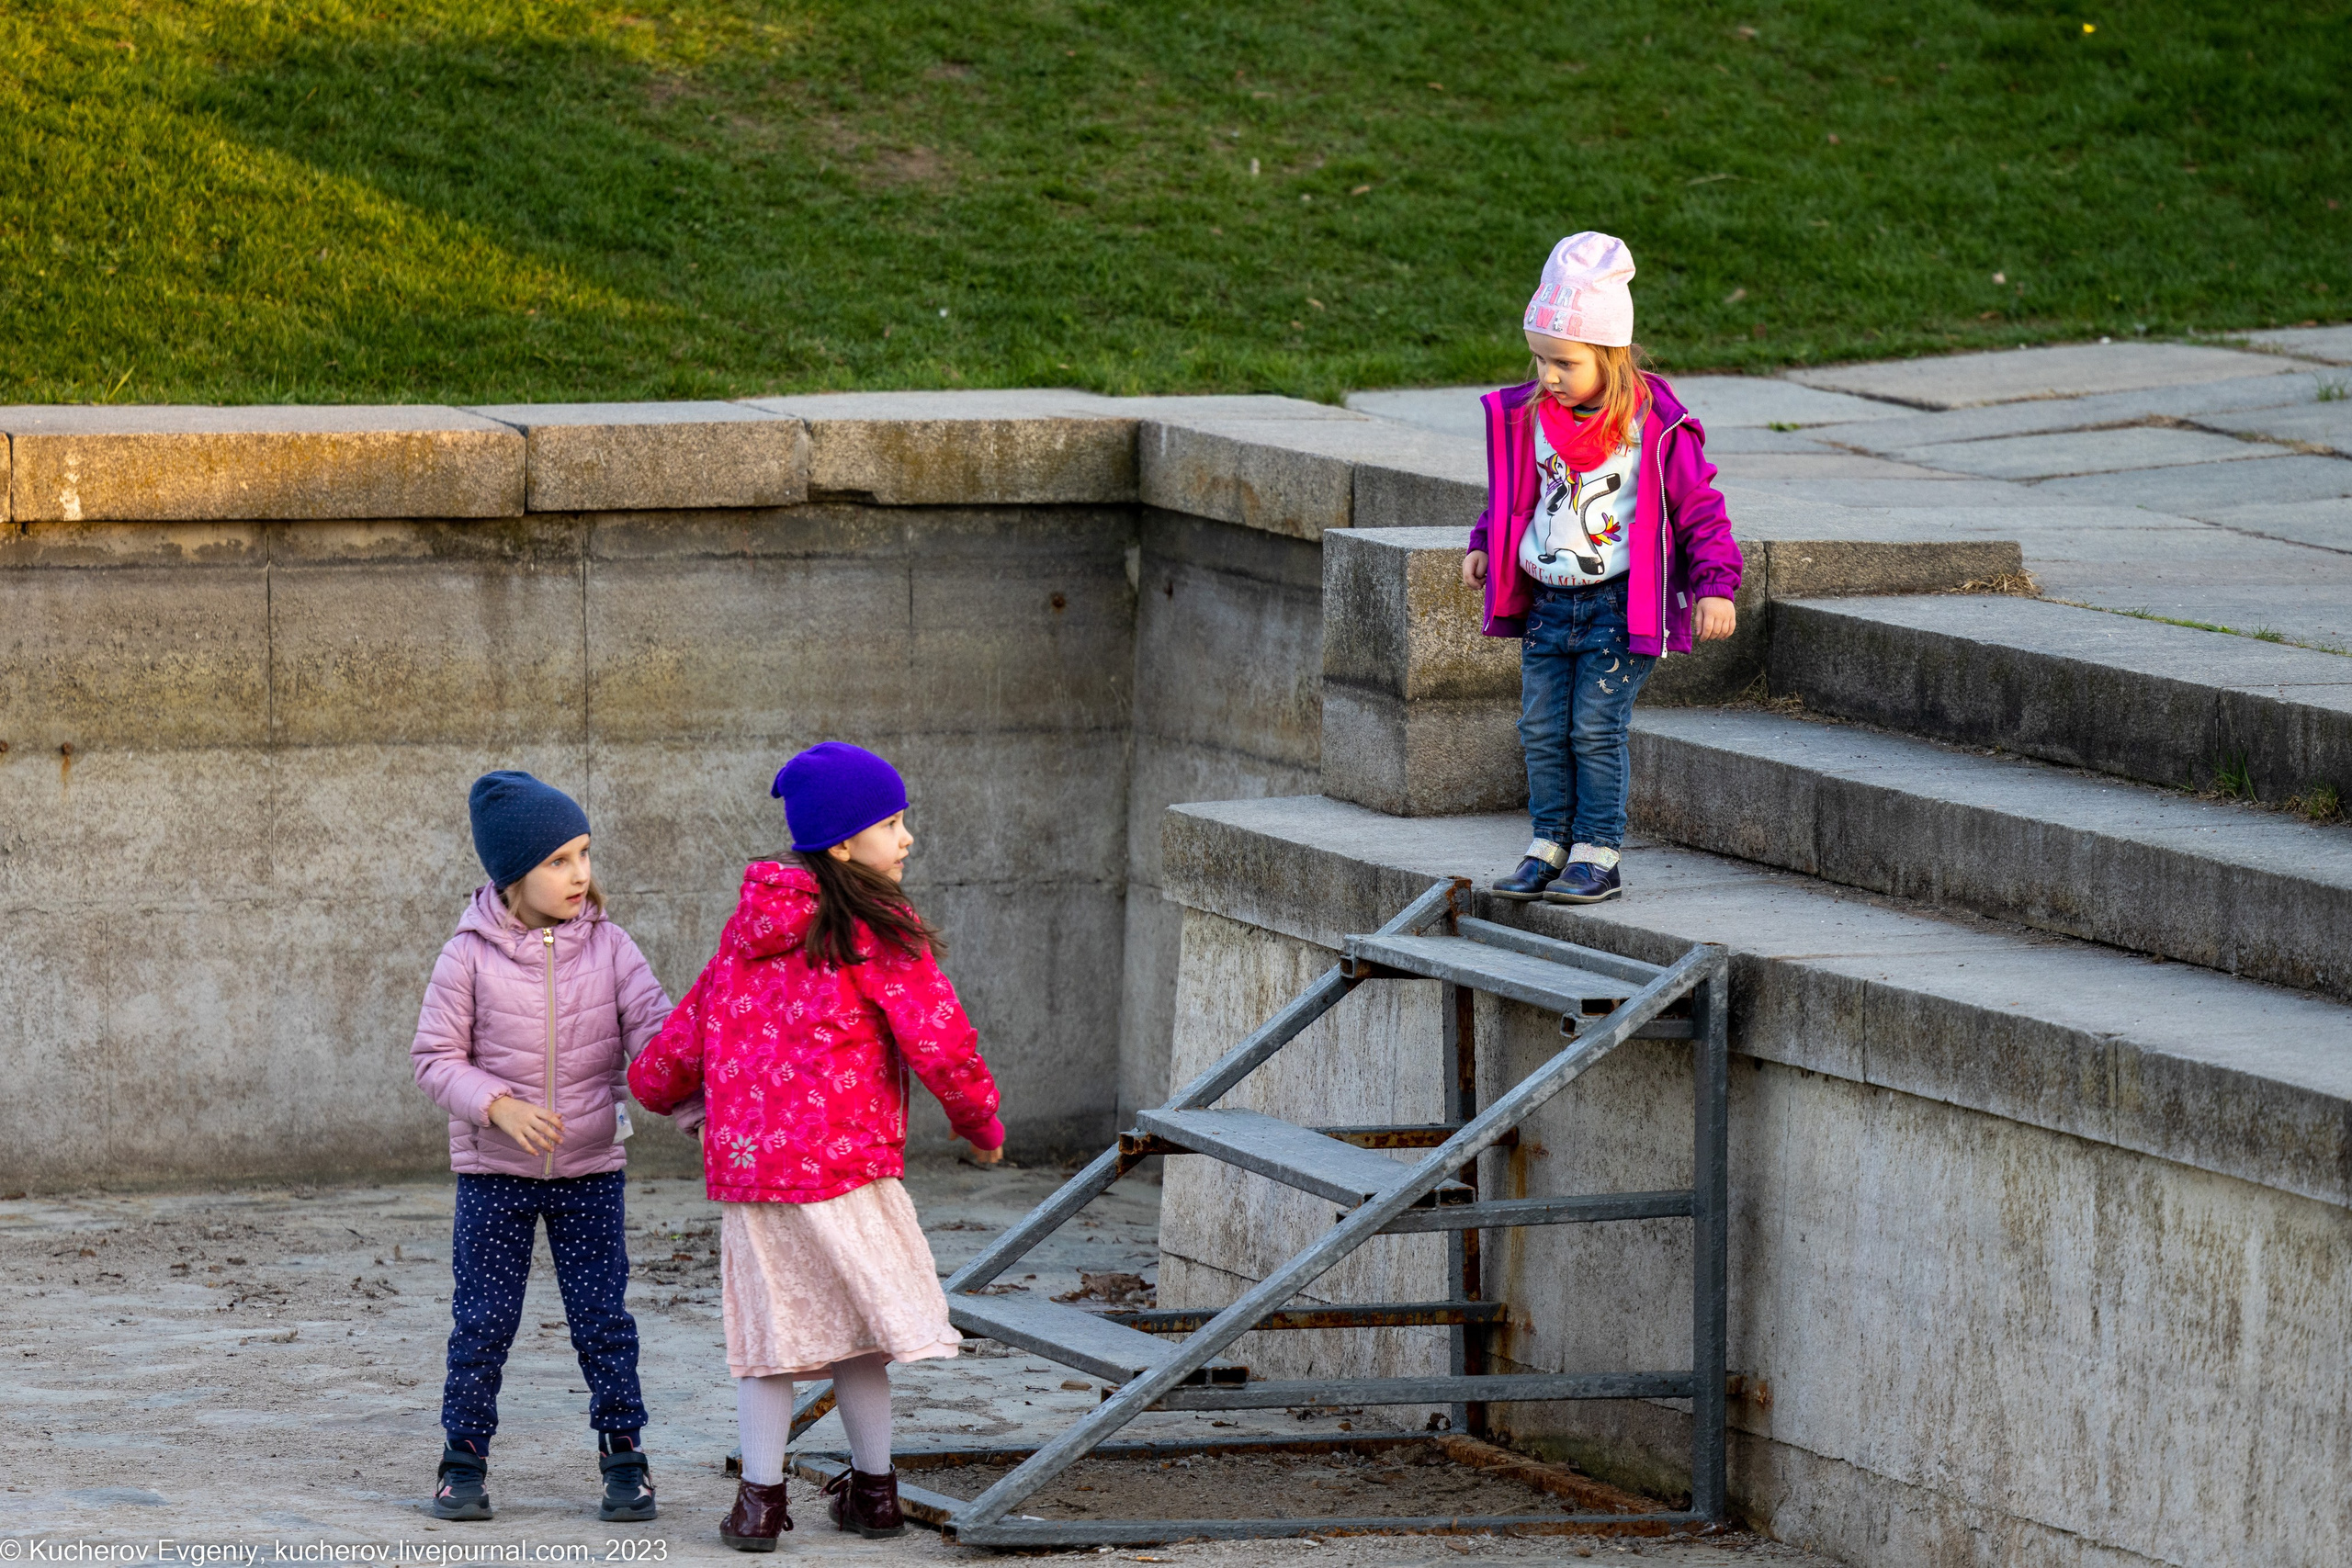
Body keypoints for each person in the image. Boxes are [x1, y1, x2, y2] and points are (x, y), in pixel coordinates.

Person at [628, 741, 1006, 1551]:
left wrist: (657, 1087)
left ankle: (758, 1505)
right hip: (849, 1171)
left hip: (758, 1182)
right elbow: (941, 1040)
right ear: (841, 844)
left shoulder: (747, 933)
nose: (906, 838)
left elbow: (685, 1034)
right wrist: (979, 1120)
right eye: (891, 823)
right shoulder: (877, 931)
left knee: (770, 1343)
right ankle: (875, 1493)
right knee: (860, 1333)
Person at [410, 771, 675, 1524]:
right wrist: (497, 1105)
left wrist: (704, 1112)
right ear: (513, 872)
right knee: (484, 1320)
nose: (579, 872)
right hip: (495, 1176)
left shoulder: (613, 948)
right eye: (558, 859)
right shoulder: (467, 955)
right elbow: (433, 1058)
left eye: (584, 852)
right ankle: (462, 1463)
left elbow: (659, 1042)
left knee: (603, 1320)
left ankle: (625, 1460)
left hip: (591, 1171)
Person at [1463, 231, 1744, 904]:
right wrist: (1484, 541)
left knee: (1593, 728)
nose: (1548, 376)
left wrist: (1715, 586)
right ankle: (1549, 844)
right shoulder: (1534, 418)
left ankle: (1597, 853)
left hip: (1617, 606)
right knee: (1540, 729)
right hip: (1547, 604)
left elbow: (1700, 509)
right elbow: (1516, 497)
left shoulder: (1654, 426)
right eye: (1539, 359)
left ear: (1610, 354)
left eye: (1564, 362)